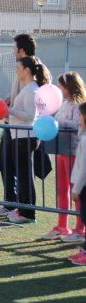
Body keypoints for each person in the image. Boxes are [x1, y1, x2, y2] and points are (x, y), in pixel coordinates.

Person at [0, 34, 51, 216]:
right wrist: (11, 100)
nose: (12, 52)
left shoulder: (29, 71)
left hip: (23, 131)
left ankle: (22, 209)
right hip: (15, 128)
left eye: (14, 49)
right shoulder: (24, 71)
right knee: (8, 166)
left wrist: (9, 110)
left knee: (21, 171)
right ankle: (13, 204)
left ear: (22, 51)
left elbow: (31, 108)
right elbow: (21, 98)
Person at [5, 56, 49, 224]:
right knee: (23, 175)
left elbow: (30, 116)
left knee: (25, 177)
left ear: (27, 70)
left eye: (19, 67)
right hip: (20, 137)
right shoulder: (28, 88)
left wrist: (11, 111)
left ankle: (28, 213)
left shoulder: (32, 90)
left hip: (25, 138)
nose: (16, 71)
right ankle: (23, 208)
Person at [42, 72, 86, 241]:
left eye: (61, 86)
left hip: (73, 151)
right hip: (61, 149)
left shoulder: (78, 105)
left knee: (76, 189)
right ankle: (62, 225)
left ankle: (80, 228)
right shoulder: (63, 104)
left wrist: (57, 123)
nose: (58, 89)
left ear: (69, 87)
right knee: (62, 189)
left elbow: (77, 124)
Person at [68, 102, 86, 265]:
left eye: (80, 116)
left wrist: (77, 188)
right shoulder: (84, 136)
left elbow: (84, 168)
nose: (78, 119)